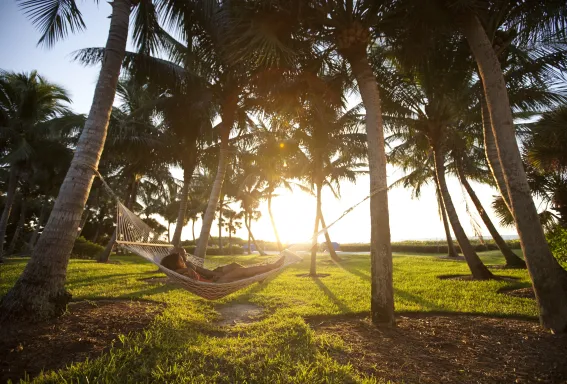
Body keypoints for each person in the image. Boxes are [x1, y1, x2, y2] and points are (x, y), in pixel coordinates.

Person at [160, 247, 286, 283]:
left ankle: (261, 274)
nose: (184, 259)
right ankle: (271, 267)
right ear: (175, 264)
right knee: (240, 272)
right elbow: (180, 272)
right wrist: (188, 268)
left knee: (234, 266)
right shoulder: (182, 272)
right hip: (214, 285)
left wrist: (213, 275)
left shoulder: (186, 268)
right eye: (181, 259)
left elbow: (204, 273)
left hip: (213, 280)